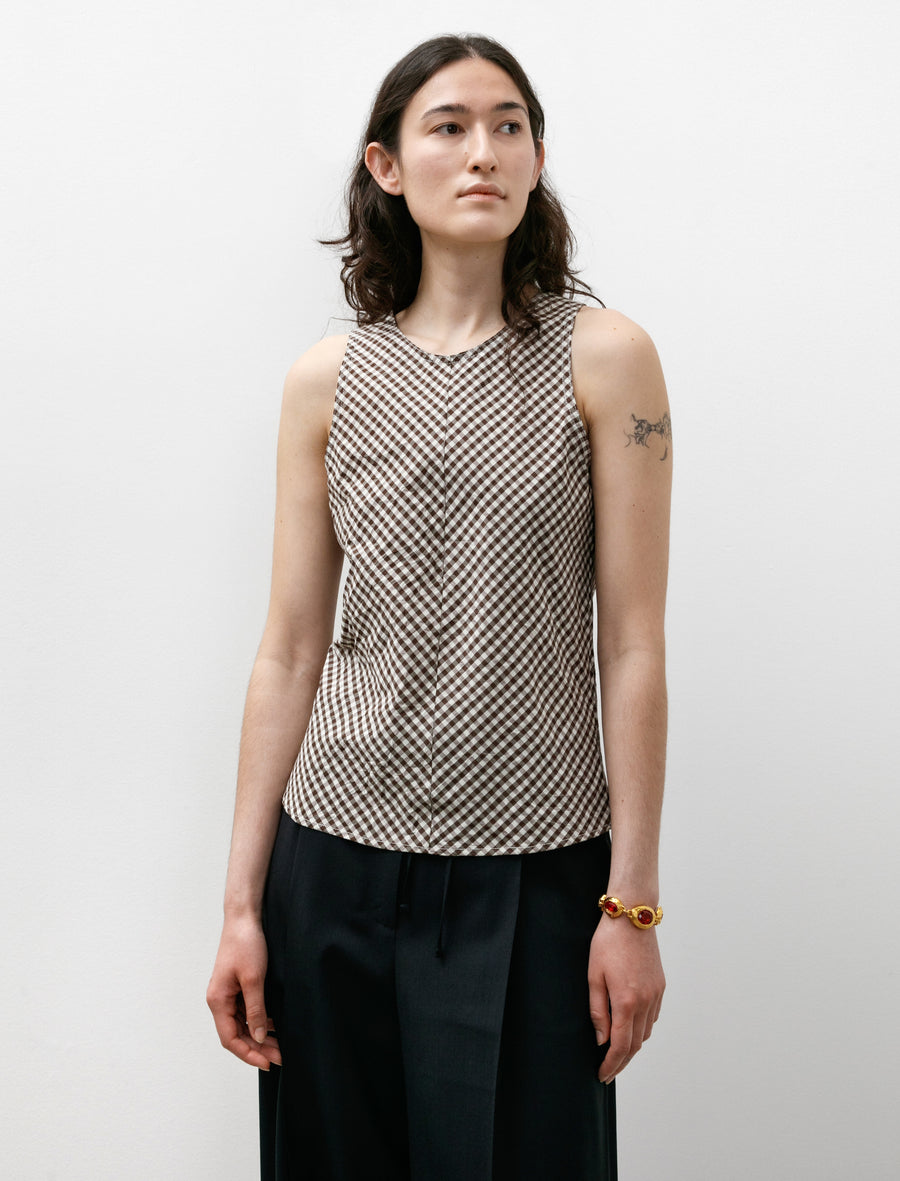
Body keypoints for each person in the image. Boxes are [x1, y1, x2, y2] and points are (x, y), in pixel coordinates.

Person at [207, 32, 671, 1181]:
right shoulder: (327, 381)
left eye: (509, 126)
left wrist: (632, 905)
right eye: (449, 127)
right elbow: (290, 648)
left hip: (540, 865)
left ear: (538, 159)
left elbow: (633, 644)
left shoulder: (605, 359)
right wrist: (241, 905)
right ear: (386, 164)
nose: (484, 152)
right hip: (334, 862)